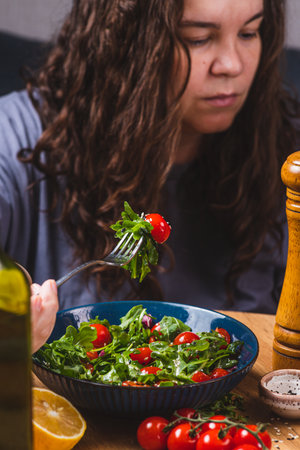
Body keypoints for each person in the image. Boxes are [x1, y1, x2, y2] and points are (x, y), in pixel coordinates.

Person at [1, 0, 300, 350]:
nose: (233, 65)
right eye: (198, 38)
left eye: (249, 33)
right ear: (125, 40)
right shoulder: (16, 140)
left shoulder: (288, 159)